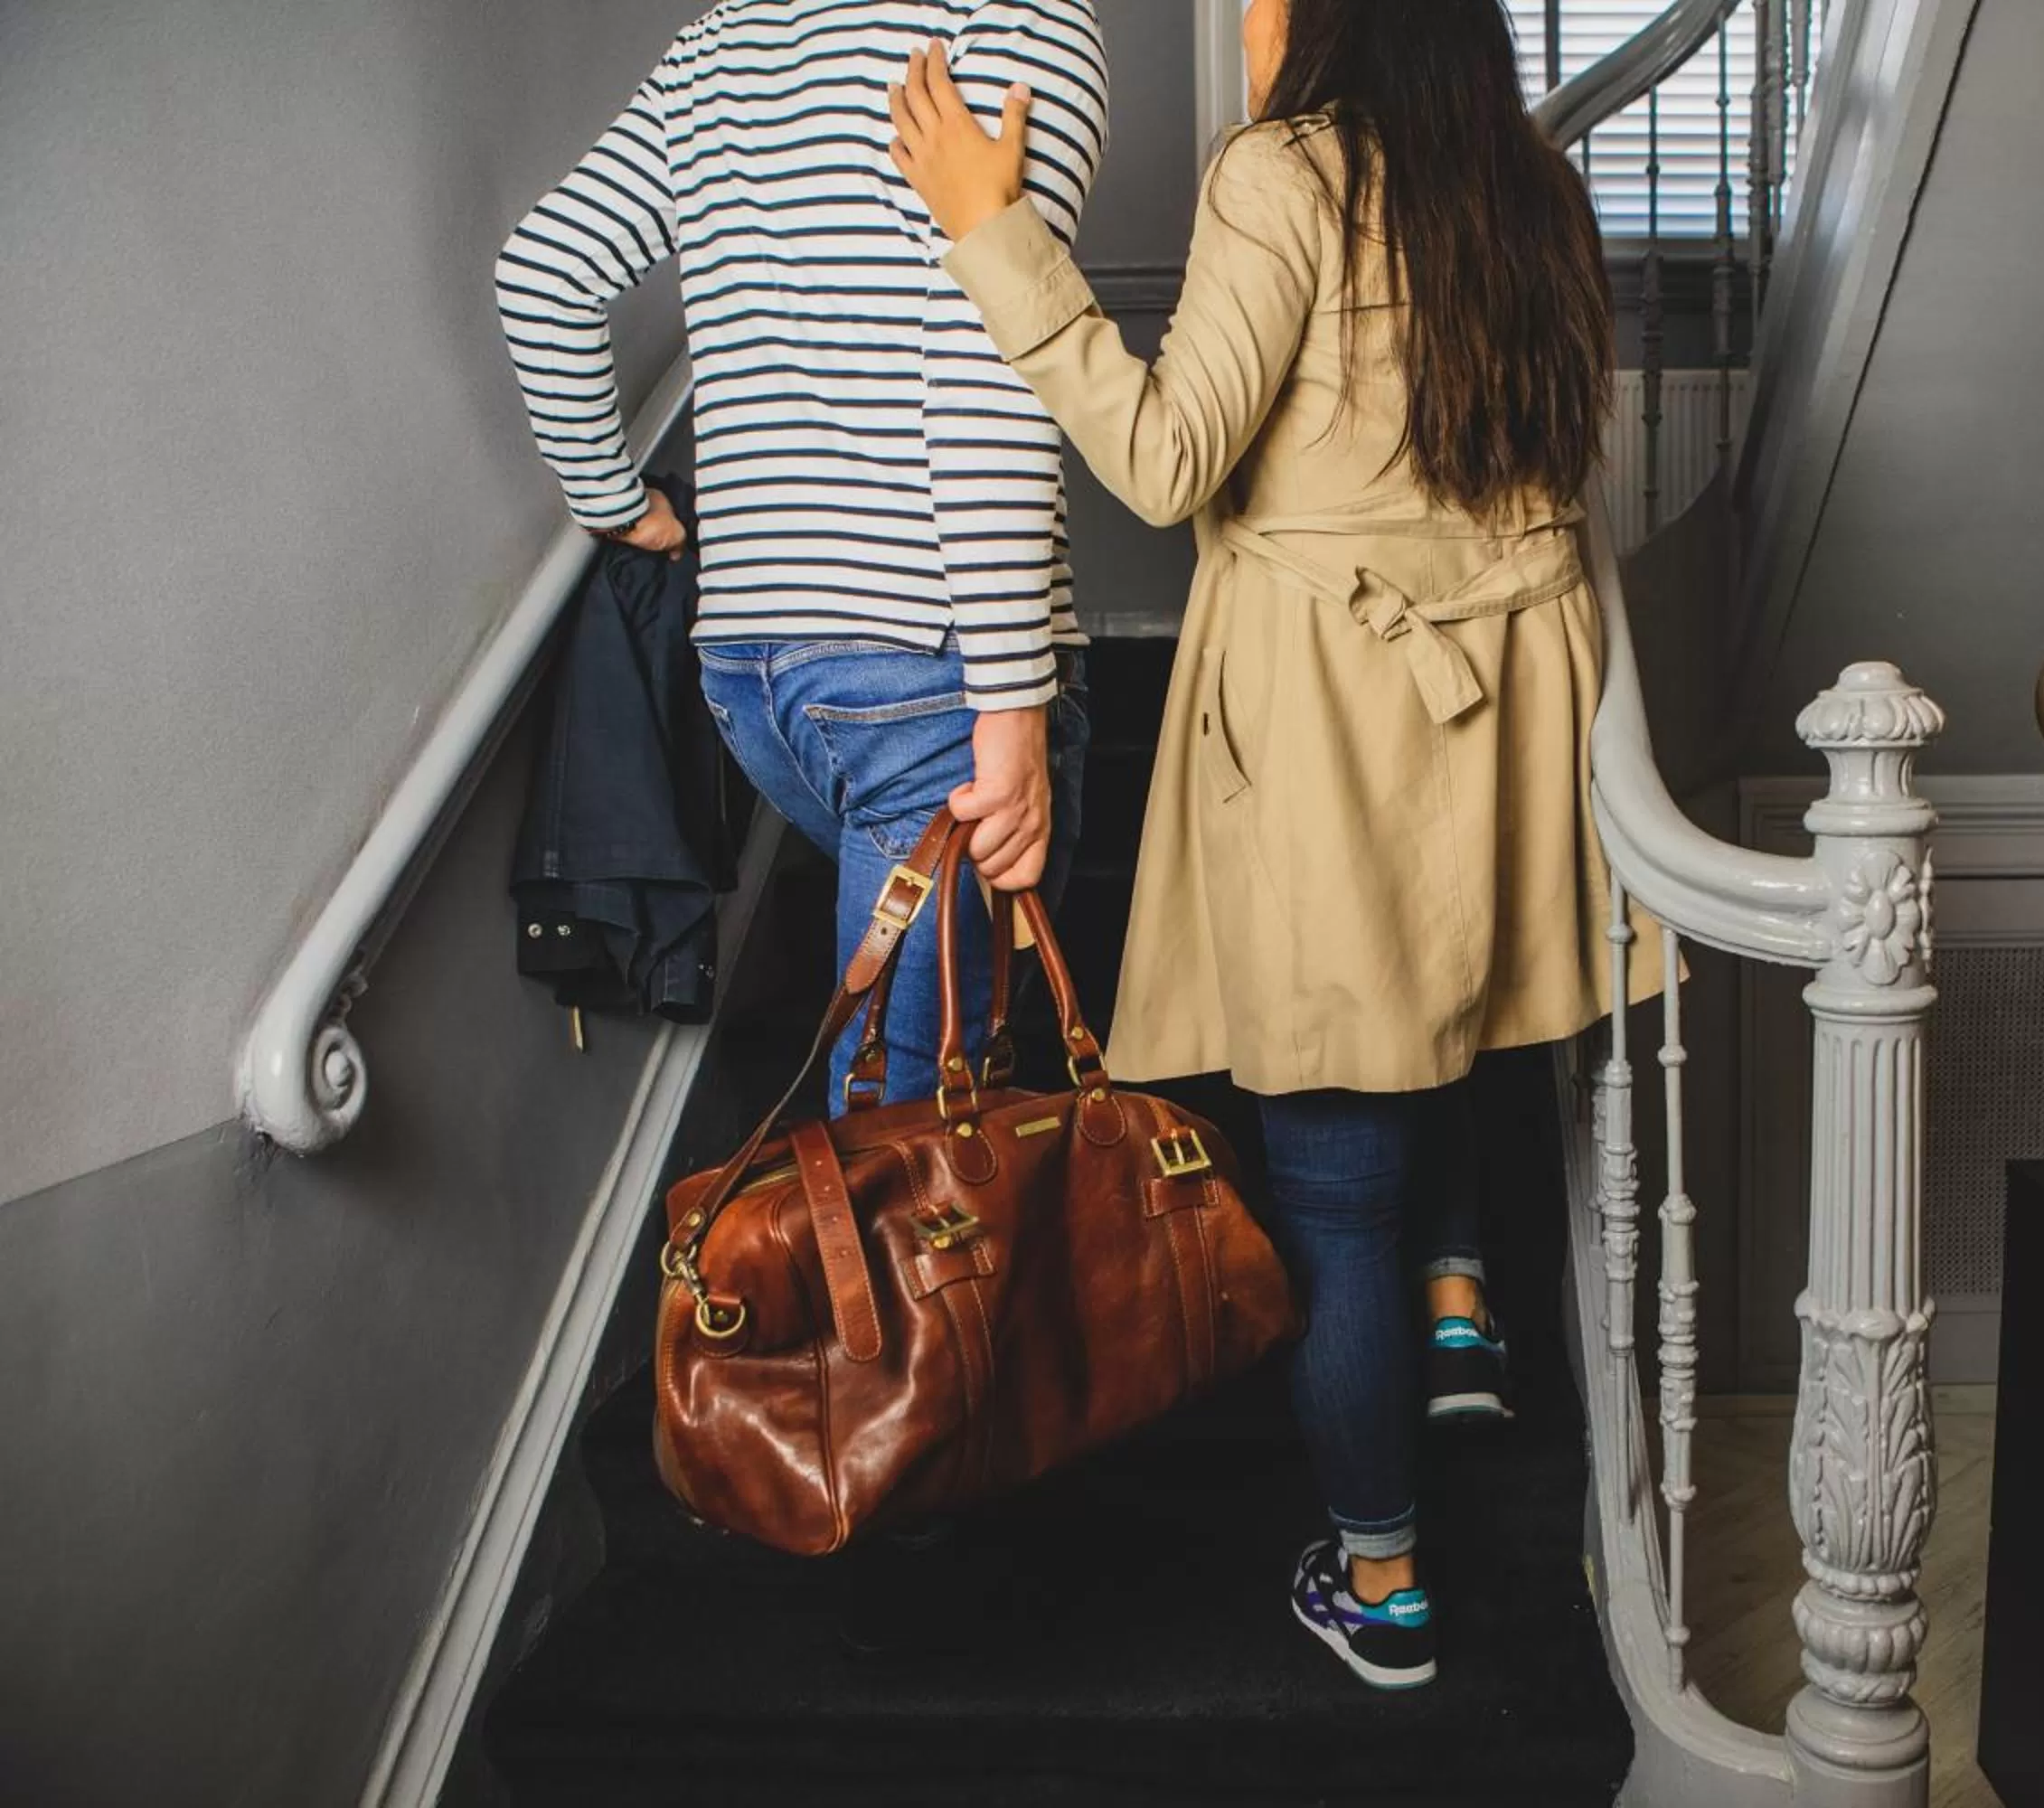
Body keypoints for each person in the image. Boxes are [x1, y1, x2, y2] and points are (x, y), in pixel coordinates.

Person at [890, 0, 1664, 1690]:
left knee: (1329, 1179)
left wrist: (990, 229)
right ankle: (1459, 1304)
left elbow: (1165, 459)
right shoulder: (1528, 184)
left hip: (1334, 734)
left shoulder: (1280, 176)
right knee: (1448, 1018)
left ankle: (1383, 1582)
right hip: (1503, 733)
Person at [496, 0, 1109, 1110]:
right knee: (909, 1124)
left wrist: (615, 505)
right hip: (931, 668)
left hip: (751, 672)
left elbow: (544, 271)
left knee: (921, 1095)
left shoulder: (722, 38)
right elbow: (992, 360)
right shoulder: (1011, 24)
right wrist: (1014, 699)